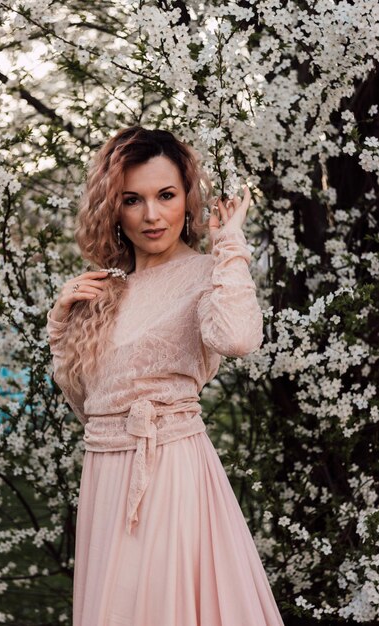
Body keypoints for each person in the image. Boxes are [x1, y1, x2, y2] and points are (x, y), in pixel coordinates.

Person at [46, 126, 285, 626]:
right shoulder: (106, 289)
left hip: (169, 469)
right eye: (133, 199)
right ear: (113, 207)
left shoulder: (207, 274)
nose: (152, 215)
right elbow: (88, 404)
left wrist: (232, 247)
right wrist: (60, 328)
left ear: (187, 199)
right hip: (105, 476)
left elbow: (238, 338)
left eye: (166, 195)